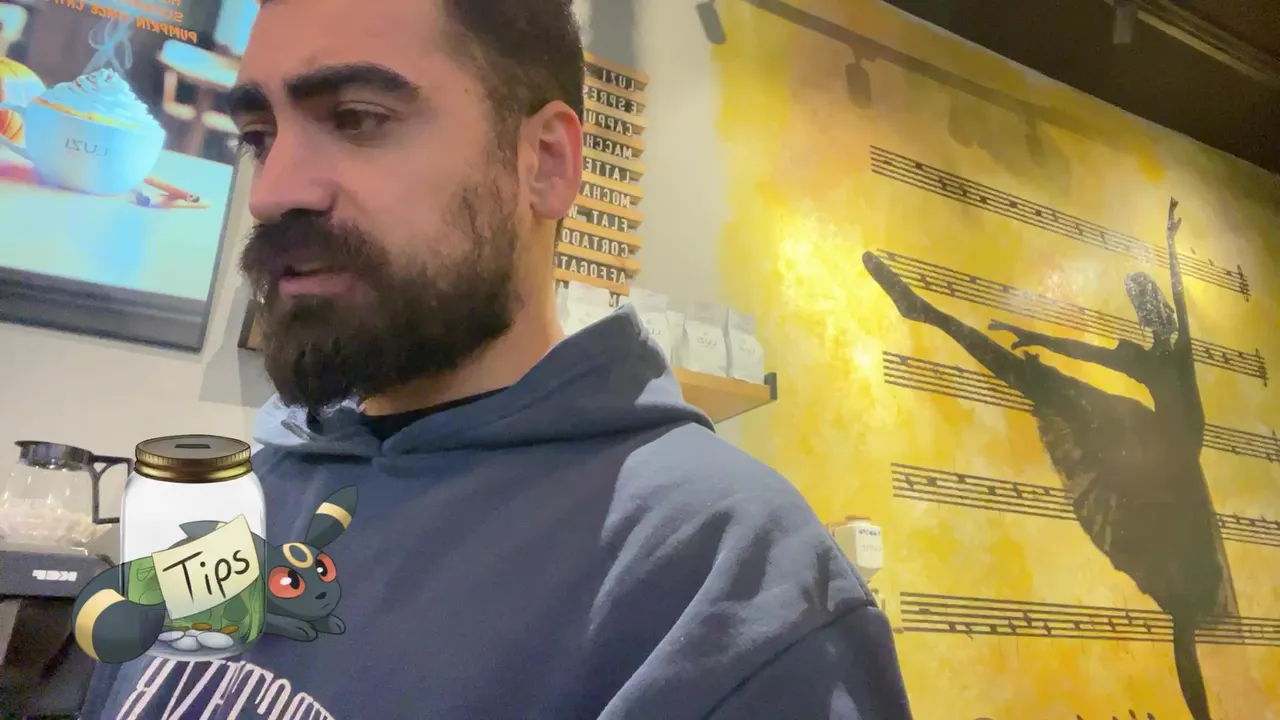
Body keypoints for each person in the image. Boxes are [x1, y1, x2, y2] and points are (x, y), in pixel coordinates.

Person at [79, 0, 911, 717]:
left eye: (357, 118)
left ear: (544, 164)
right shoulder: (247, 494)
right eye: (259, 137)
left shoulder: (726, 579)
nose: (271, 193)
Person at [862, 199, 1227, 720]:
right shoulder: (1141, 356)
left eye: (1153, 309)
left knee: (1182, 611)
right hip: (1150, 447)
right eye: (1145, 310)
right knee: (1042, 381)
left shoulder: (1174, 350)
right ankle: (928, 313)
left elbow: (1178, 292)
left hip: (1167, 464)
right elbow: (1085, 354)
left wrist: (1170, 242)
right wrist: (1036, 338)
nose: (1151, 316)